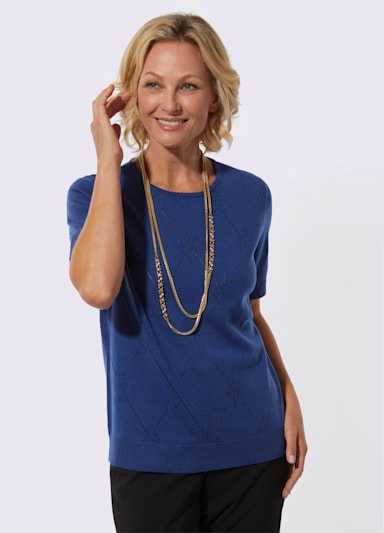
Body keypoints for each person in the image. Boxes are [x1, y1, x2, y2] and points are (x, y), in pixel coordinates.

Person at [67, 12, 307, 532]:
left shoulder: (250, 195)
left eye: (189, 86)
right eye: (153, 85)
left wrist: (289, 396)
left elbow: (249, 314)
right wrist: (108, 158)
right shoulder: (94, 194)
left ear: (214, 97)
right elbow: (98, 288)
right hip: (151, 457)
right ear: (131, 95)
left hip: (253, 448)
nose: (170, 104)